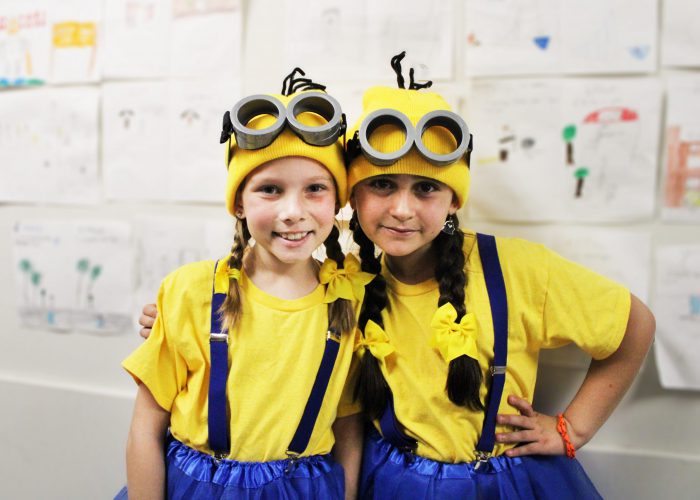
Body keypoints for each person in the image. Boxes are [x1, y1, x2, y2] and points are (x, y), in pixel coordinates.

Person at [341, 53, 656, 498]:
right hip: (392, 479)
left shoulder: (516, 269)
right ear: (354, 195)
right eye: (382, 184)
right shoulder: (348, 284)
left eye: (426, 188)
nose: (402, 209)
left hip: (500, 484)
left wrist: (574, 427)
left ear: (454, 200)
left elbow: (635, 324)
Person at [121, 69, 369, 500]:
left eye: (314, 189)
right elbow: (145, 428)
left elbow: (348, 426)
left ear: (337, 200)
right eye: (270, 190)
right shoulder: (190, 290)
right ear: (238, 202)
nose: (293, 211)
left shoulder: (350, 297)